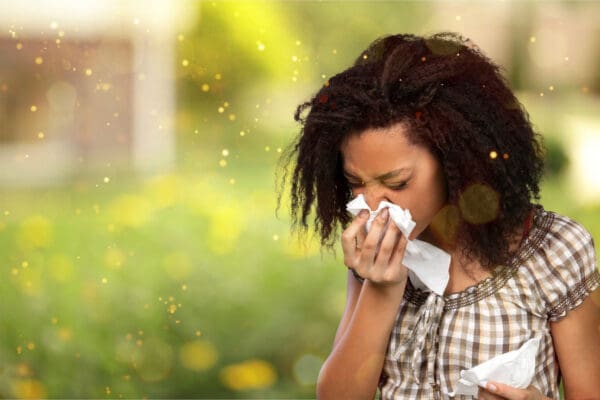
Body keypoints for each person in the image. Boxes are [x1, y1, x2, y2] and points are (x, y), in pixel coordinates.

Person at [280, 32, 600, 399]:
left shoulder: (554, 251)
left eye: (396, 183)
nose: (371, 204)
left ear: (458, 161)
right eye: (356, 182)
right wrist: (381, 290)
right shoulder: (377, 254)